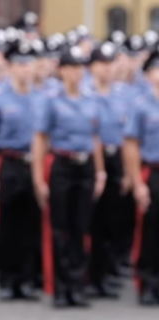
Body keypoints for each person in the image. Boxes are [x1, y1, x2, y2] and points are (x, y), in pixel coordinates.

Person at [32, 45, 106, 308]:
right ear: (61, 70)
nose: (77, 72)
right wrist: (39, 178)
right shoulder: (51, 100)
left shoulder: (90, 98)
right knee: (60, 228)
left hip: (85, 167)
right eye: (72, 67)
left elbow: (95, 138)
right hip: (62, 165)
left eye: (80, 67)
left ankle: (77, 285)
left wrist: (100, 171)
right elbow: (40, 139)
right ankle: (61, 288)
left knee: (80, 227)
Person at [0, 40, 41, 300]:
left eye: (29, 64)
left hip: (33, 163)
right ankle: (6, 277)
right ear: (11, 67)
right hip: (9, 163)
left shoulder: (42, 97)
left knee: (31, 222)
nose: (25, 70)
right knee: (5, 224)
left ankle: (26, 279)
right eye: (20, 65)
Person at [86, 41, 129, 298]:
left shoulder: (120, 94)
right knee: (92, 221)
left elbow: (126, 135)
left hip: (116, 158)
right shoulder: (84, 92)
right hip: (94, 159)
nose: (107, 69)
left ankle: (105, 273)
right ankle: (90, 275)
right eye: (102, 63)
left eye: (111, 63)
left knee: (114, 219)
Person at [124, 49, 159, 305]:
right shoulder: (141, 105)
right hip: (153, 172)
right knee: (150, 232)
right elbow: (132, 145)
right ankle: (146, 282)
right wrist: (138, 182)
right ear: (148, 75)